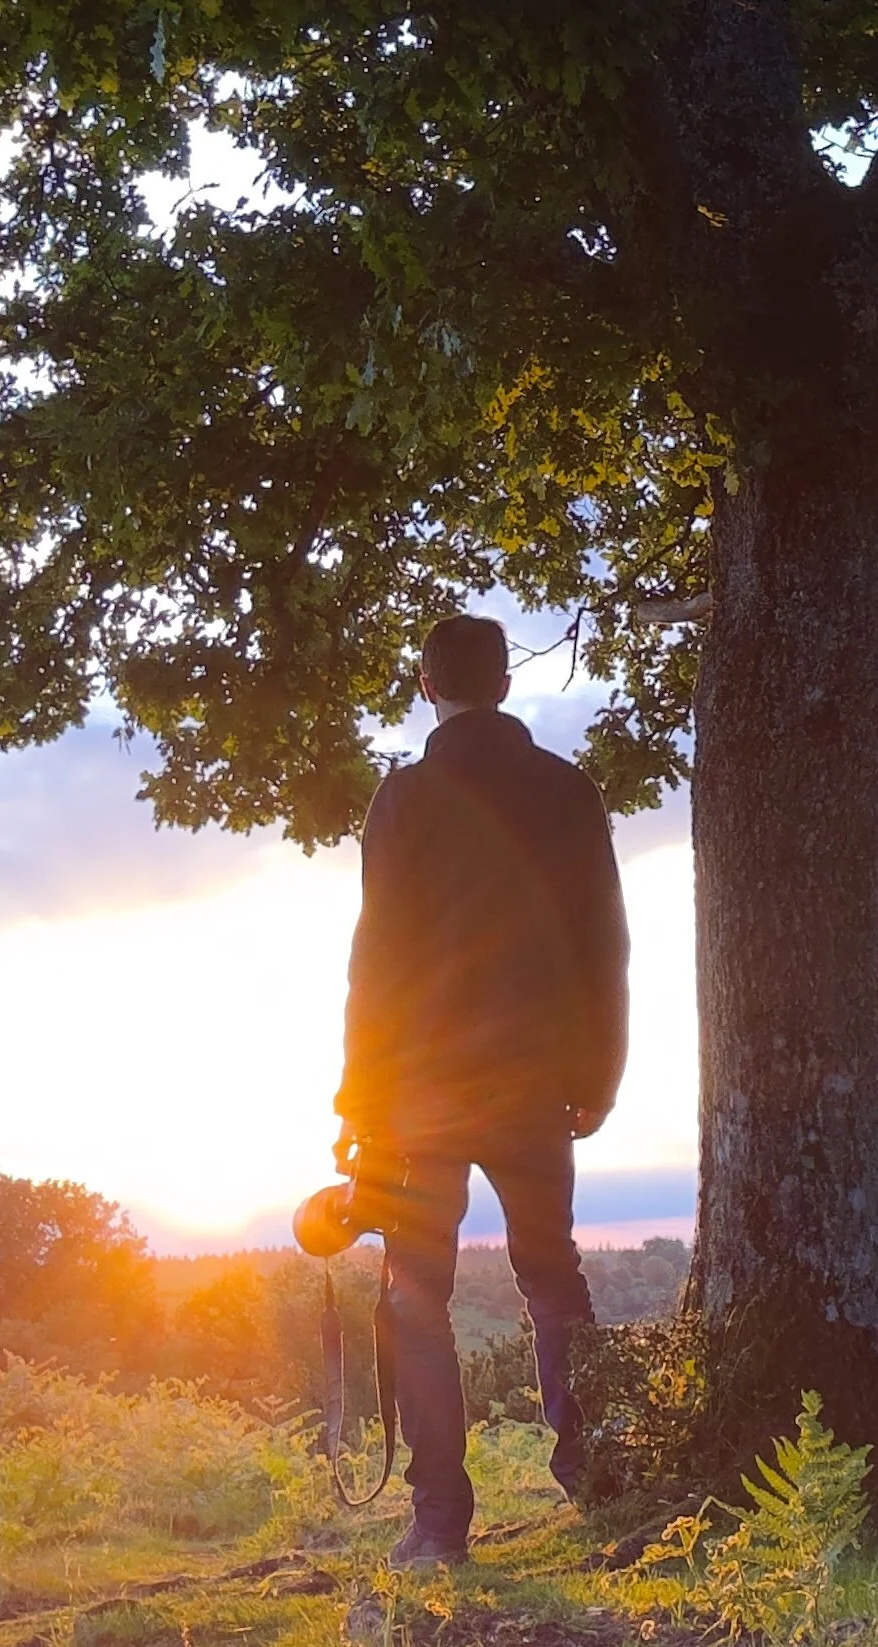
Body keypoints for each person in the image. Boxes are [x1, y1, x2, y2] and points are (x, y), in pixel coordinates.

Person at [332, 613, 630, 1570]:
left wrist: (358, 1100)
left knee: (416, 1298)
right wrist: (600, 1073)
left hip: (424, 1092)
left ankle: (437, 1522)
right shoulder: (568, 790)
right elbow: (604, 943)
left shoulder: (405, 799)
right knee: (553, 1277)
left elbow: (375, 961)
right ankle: (593, 1470)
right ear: (503, 681)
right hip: (540, 1079)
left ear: (428, 685)